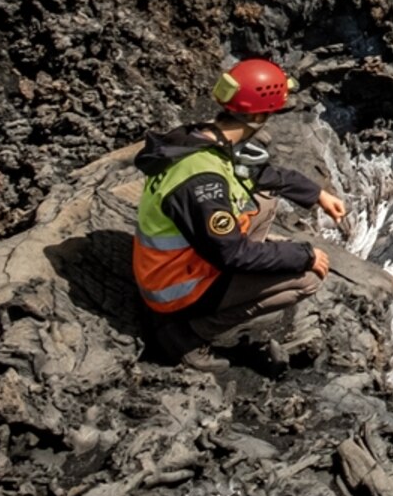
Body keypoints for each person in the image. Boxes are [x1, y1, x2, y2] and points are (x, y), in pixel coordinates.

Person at [133, 57, 349, 369]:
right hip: (172, 287)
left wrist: (318, 195)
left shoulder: (203, 138)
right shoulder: (203, 181)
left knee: (265, 201)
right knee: (306, 280)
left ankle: (239, 280)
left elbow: (260, 175)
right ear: (259, 113)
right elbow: (230, 255)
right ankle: (188, 336)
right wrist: (303, 255)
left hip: (186, 258)